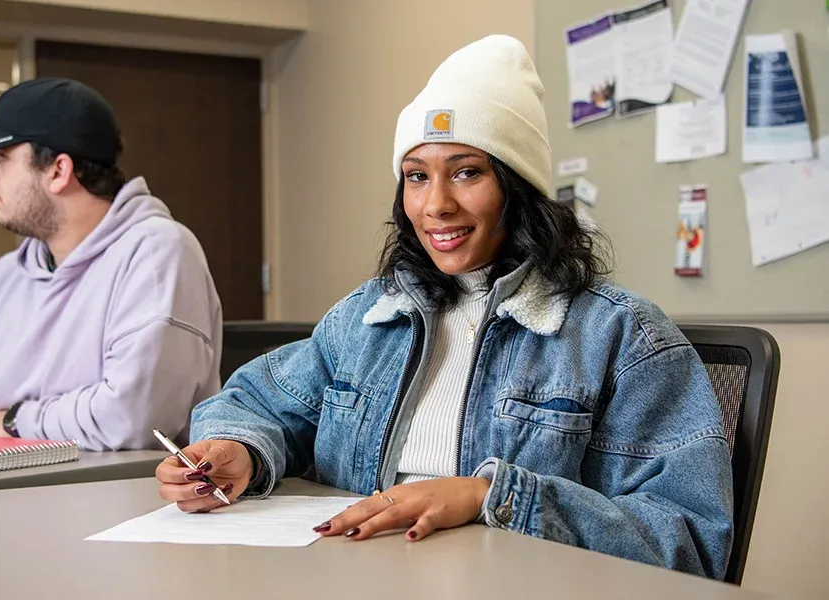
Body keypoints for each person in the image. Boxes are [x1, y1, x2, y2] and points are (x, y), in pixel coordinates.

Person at [156, 36, 733, 578]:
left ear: (518, 185)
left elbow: (690, 540)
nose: (436, 205)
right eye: (416, 176)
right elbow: (257, 403)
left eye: (466, 172)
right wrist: (238, 451)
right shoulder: (368, 319)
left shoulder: (620, 335)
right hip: (354, 577)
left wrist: (489, 497)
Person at [0, 77, 223, 450]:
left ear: (58, 171)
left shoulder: (157, 253)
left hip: (121, 495)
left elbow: (134, 417)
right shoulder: (7, 276)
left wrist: (15, 421)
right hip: (11, 489)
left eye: (2, 157)